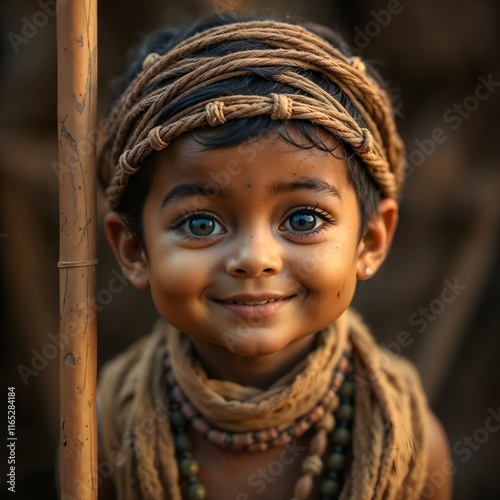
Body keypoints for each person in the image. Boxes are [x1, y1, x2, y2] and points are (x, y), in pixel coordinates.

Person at [96, 12, 452, 500]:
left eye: (303, 220)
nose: (254, 258)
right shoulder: (102, 432)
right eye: (201, 223)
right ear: (134, 250)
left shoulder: (409, 444)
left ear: (370, 241)